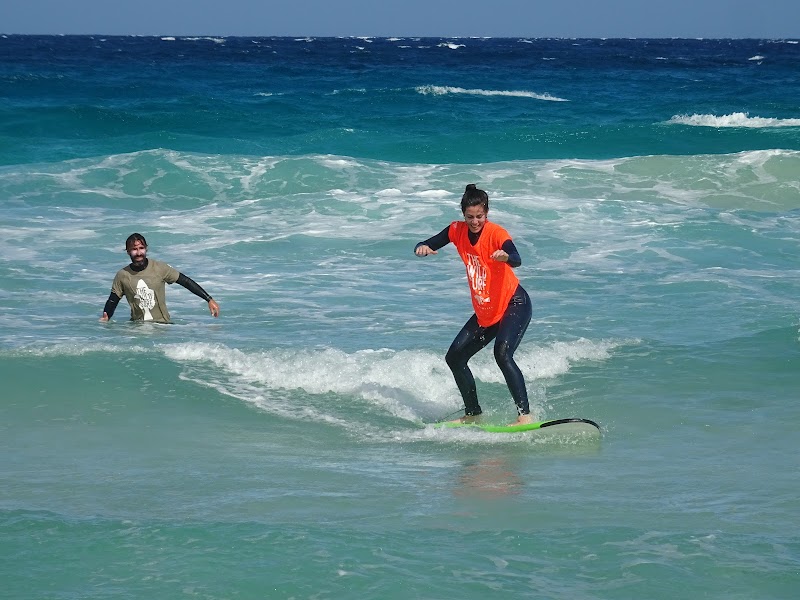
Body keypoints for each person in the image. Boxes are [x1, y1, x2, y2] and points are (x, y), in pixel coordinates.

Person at [414, 184, 532, 425]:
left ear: (486, 213)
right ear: (463, 215)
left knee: (502, 354)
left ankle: (525, 416)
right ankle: (473, 414)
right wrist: (421, 248)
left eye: (479, 216)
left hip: (513, 303)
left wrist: (506, 257)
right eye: (470, 217)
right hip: (487, 310)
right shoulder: (456, 230)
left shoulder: (496, 233)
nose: (475, 222)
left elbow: (516, 258)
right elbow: (428, 243)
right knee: (454, 358)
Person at [99, 233, 220, 323]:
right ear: (128, 252)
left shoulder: (159, 268)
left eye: (141, 248)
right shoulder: (122, 275)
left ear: (146, 249)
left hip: (163, 326)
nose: (139, 253)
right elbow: (113, 300)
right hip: (137, 328)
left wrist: (208, 299)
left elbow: (185, 281)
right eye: (134, 249)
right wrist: (106, 318)